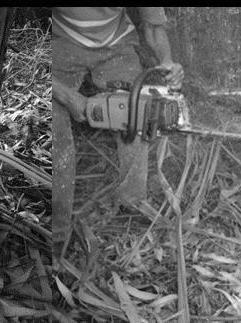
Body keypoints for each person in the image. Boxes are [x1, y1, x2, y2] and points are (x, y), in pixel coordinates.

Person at [51, 7, 183, 255]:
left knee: (136, 112)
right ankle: (57, 236)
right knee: (55, 134)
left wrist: (166, 61)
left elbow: (154, 27)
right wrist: (69, 98)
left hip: (117, 43)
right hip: (59, 42)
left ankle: (130, 207)